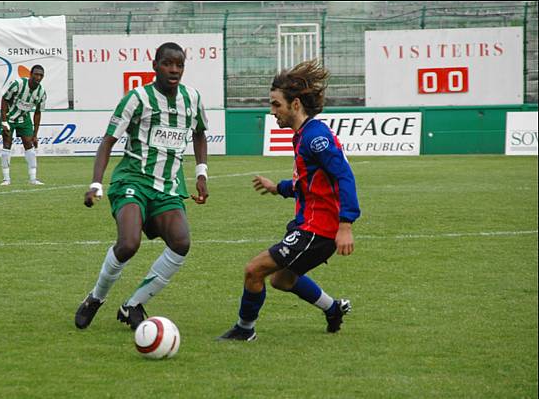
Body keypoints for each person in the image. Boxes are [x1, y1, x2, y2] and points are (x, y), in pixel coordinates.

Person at [218, 60, 361, 341]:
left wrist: (346, 224)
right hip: (307, 225)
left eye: (276, 105)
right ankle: (333, 309)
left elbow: (344, 176)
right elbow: (309, 184)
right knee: (282, 279)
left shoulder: (316, 137)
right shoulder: (303, 135)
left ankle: (244, 330)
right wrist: (278, 188)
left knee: (253, 270)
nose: (272, 112)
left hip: (318, 230)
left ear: (295, 105)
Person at [75, 42, 209, 331]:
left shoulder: (192, 98)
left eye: (179, 65)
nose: (174, 70)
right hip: (133, 181)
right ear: (155, 66)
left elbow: (199, 134)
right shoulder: (137, 98)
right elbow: (108, 141)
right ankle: (96, 298)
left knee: (181, 243)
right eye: (167, 64)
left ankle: (132, 305)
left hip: (168, 188)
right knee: (128, 244)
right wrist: (96, 183)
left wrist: (201, 173)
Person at [0, 64, 47, 186]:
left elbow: (37, 113)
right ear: (30, 74)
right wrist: (4, 121)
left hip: (24, 119)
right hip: (9, 117)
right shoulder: (18, 84)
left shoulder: (41, 92)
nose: (38, 77)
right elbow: (5, 99)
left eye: (41, 75)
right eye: (36, 74)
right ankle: (6, 179)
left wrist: (35, 134)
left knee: (29, 145)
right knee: (7, 145)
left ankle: (33, 179)